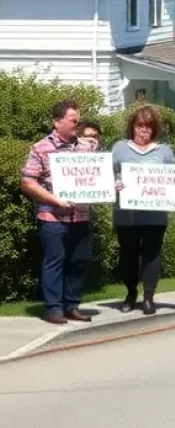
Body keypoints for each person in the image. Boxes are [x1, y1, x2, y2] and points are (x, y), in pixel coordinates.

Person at [19, 100, 97, 325]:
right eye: (74, 120)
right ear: (57, 122)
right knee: (55, 261)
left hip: (80, 216)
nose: (78, 124)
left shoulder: (87, 147)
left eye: (79, 120)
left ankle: (71, 305)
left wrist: (113, 185)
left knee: (80, 260)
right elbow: (27, 183)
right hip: (52, 217)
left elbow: (97, 176)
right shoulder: (40, 148)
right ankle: (53, 308)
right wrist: (55, 200)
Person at [111, 106, 175, 315]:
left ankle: (149, 297)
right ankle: (130, 293)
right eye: (139, 126)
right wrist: (114, 184)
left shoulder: (164, 151)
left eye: (148, 127)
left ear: (154, 130)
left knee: (152, 254)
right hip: (127, 213)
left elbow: (172, 181)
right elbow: (106, 175)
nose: (143, 131)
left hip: (155, 214)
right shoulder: (119, 148)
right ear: (132, 127)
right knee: (129, 255)